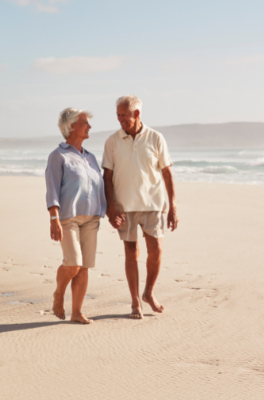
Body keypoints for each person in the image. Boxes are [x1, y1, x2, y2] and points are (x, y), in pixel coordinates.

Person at [102, 95, 178, 319]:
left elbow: (167, 172)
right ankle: (135, 301)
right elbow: (107, 177)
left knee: (156, 251)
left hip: (153, 204)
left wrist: (172, 206)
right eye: (118, 115)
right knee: (131, 253)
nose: (120, 120)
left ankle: (148, 293)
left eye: (124, 115)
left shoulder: (156, 138)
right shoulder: (112, 141)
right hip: (125, 206)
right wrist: (111, 207)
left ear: (137, 114)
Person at [45, 107, 107, 324]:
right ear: (71, 126)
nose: (89, 126)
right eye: (84, 122)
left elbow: (99, 187)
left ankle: (76, 312)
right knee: (73, 264)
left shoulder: (90, 157)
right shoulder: (58, 155)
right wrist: (54, 219)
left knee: (84, 267)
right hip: (68, 218)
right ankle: (59, 294)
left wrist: (110, 210)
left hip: (91, 218)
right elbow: (52, 189)